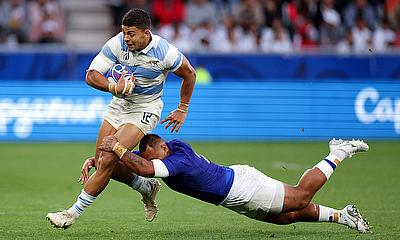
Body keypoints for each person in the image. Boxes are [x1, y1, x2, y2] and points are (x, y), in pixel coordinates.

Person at [46, 8, 196, 228]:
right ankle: (146, 187)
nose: (126, 38)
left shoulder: (165, 52)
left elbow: (189, 74)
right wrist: (111, 86)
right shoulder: (117, 44)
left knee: (107, 158)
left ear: (146, 33)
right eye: (124, 32)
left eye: (131, 33)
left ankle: (71, 213)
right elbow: (91, 74)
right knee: (103, 163)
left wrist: (182, 108)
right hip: (119, 105)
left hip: (145, 108)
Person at [94, 134, 370, 232]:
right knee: (286, 218)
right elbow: (139, 160)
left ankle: (338, 152)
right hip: (232, 194)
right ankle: (342, 216)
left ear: (162, 148)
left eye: (151, 155)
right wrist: (98, 161)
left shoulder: (179, 162)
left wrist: (117, 147)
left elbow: (142, 166)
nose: (149, 160)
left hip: (241, 187)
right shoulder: (174, 148)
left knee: (299, 198)